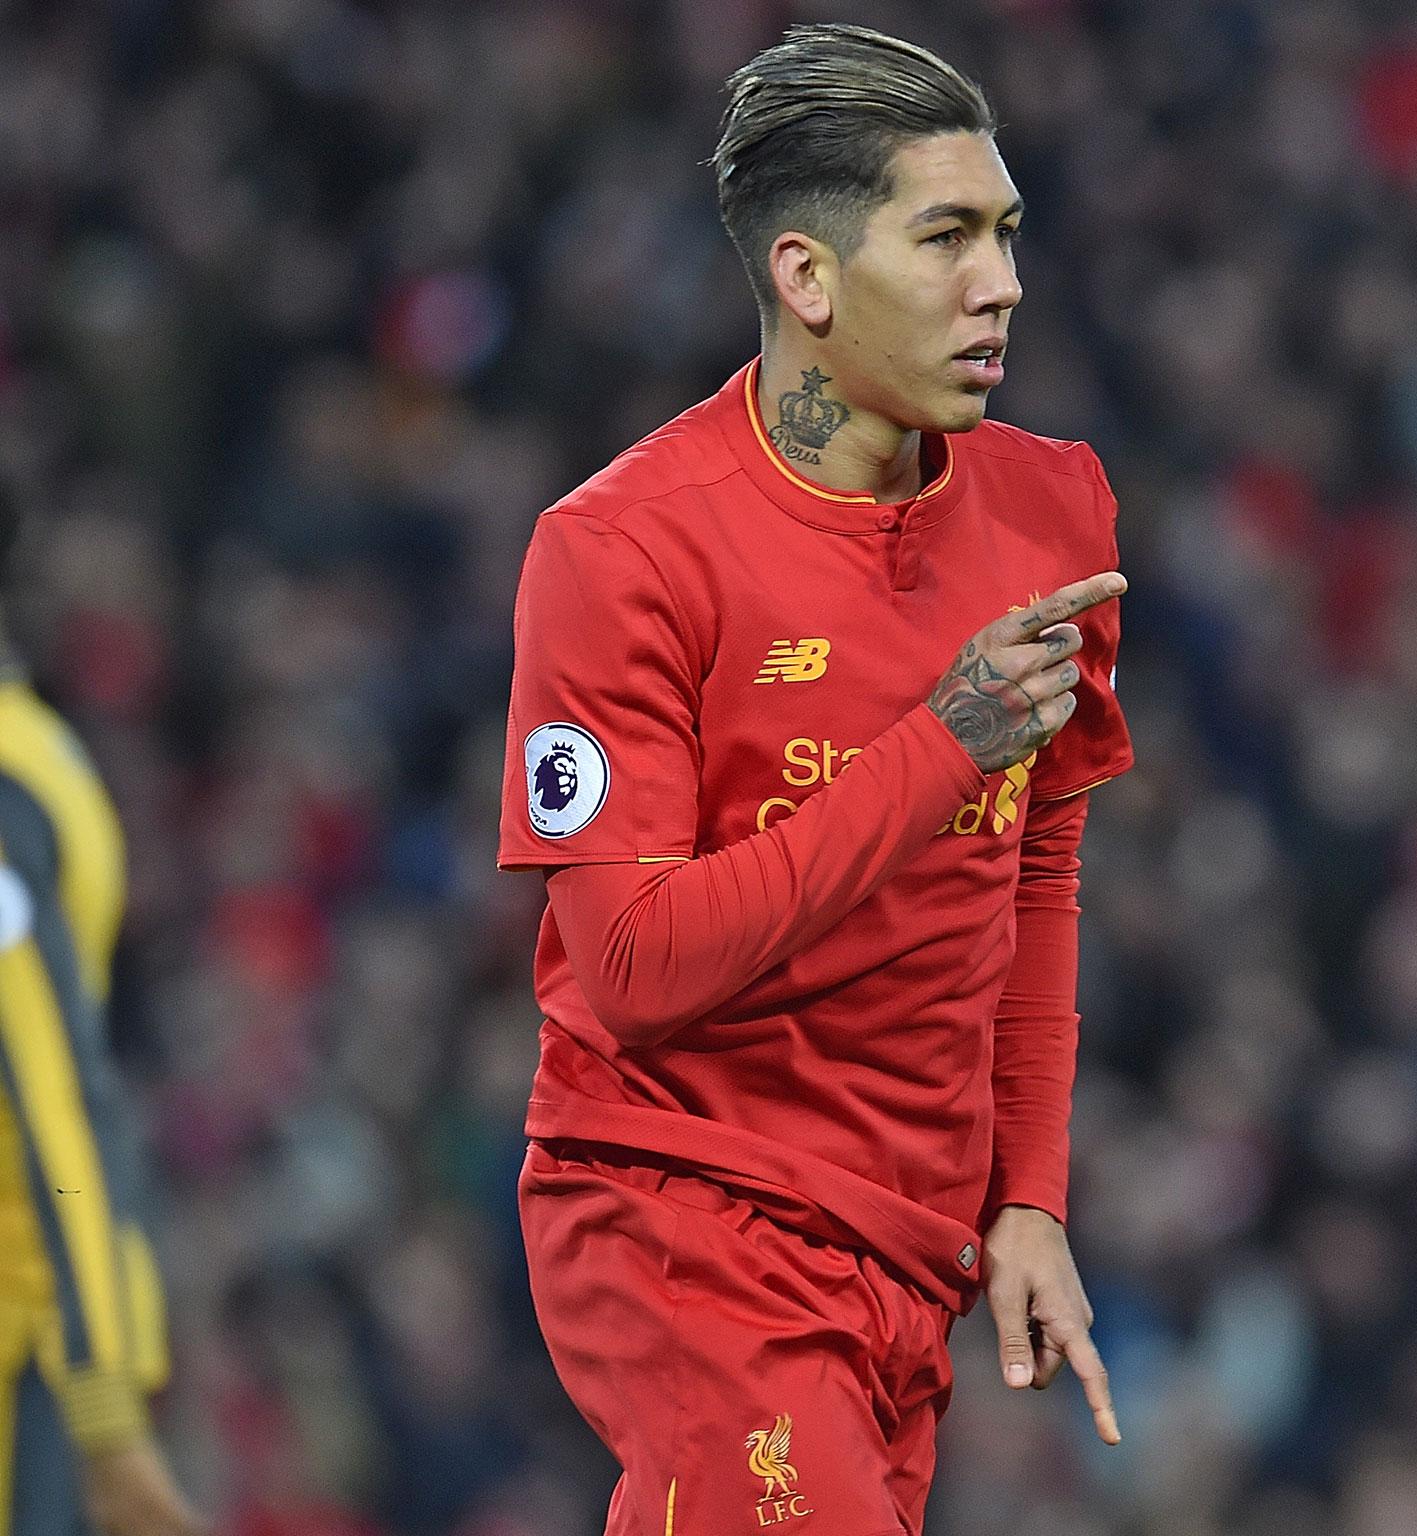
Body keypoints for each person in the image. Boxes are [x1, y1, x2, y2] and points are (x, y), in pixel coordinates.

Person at [499, 24, 1133, 1536]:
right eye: (949, 237)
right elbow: (636, 968)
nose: (1004, 283)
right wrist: (936, 749)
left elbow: (1032, 869)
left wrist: (1026, 1193)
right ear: (807, 276)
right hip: (684, 1206)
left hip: (906, 1240)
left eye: (1008, 235)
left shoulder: (1053, 509)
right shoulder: (621, 552)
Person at [0, 484, 201, 1536]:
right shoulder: (44, 750)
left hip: (28, 1346)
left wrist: (101, 1404)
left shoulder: (6, 791)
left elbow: (54, 1092)